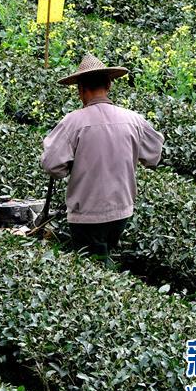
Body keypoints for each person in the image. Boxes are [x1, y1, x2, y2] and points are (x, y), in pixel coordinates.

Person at [40, 54, 164, 265]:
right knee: (103, 258)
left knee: (91, 267)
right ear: (108, 85)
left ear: (80, 90)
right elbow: (154, 156)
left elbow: (52, 165)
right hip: (121, 211)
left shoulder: (73, 122)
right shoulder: (134, 120)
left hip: (86, 214)